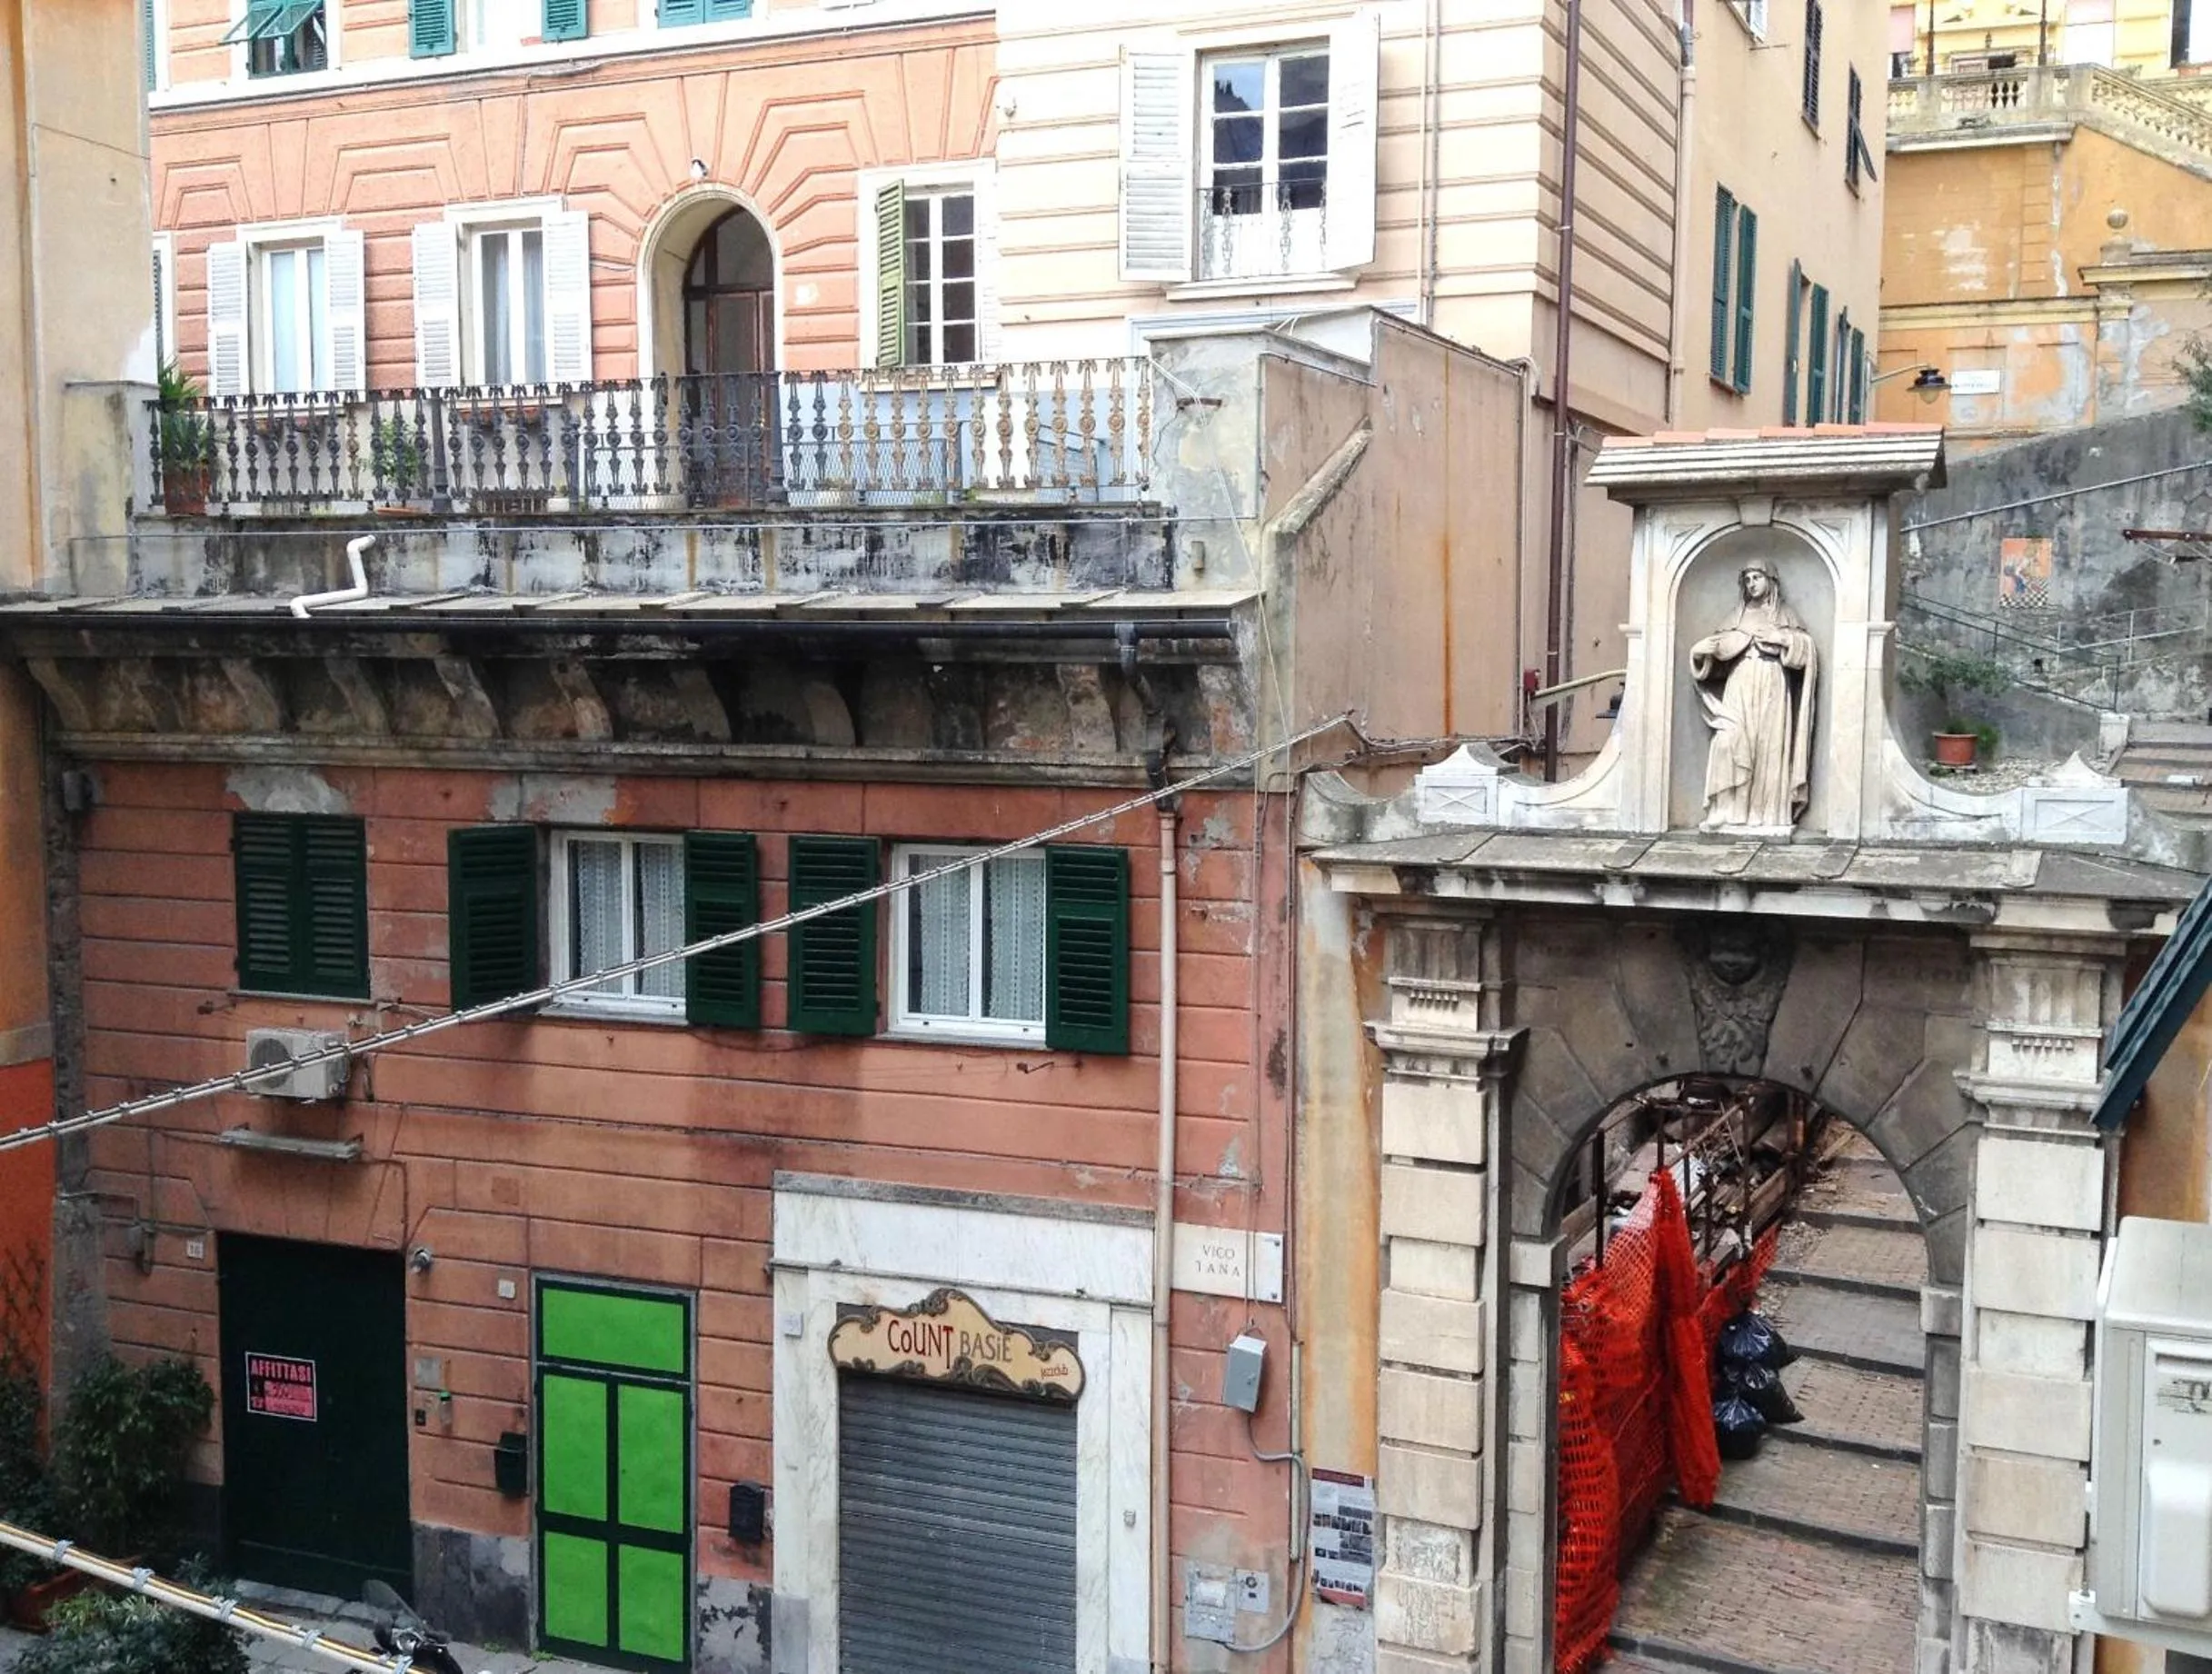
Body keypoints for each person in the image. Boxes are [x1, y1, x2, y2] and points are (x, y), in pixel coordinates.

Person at [1688, 557, 1818, 831]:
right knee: (1729, 739)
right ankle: (1726, 809)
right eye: (1747, 579)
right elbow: (1720, 658)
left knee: (1768, 746)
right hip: (1739, 682)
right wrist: (1703, 653)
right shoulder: (1736, 616)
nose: (1751, 584)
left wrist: (1783, 639)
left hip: (1772, 682)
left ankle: (1766, 814)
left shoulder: (1785, 615)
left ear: (1770, 580)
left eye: (1756, 577)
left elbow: (1806, 651)